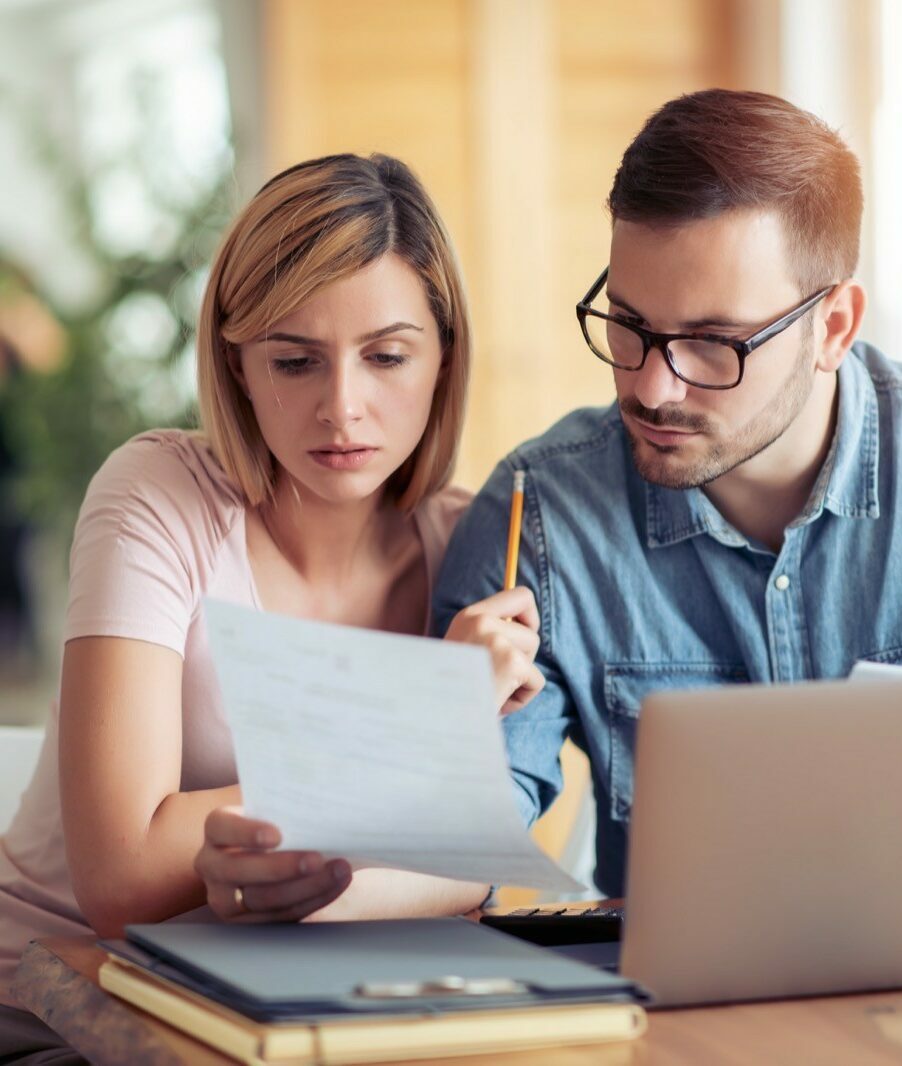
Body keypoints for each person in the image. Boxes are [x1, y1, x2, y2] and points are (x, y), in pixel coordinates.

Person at [431, 88, 902, 900]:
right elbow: (452, 857)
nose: (654, 386)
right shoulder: (538, 518)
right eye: (629, 325)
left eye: (712, 343)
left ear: (833, 327)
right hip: (680, 1018)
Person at [0, 153, 529, 1061]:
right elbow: (123, 880)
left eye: (388, 356)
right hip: (60, 1014)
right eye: (294, 360)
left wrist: (312, 879)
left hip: (291, 1007)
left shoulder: (471, 544)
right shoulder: (157, 494)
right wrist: (420, 725)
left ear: (445, 359)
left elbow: (473, 876)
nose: (342, 408)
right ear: (238, 366)